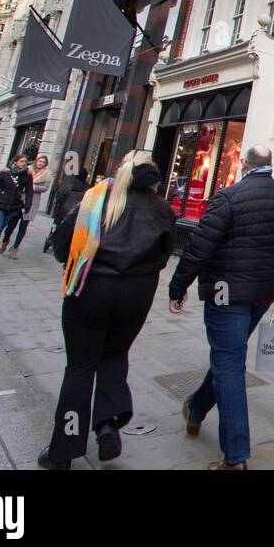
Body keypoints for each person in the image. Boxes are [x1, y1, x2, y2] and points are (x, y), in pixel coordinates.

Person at [168, 145, 274, 470]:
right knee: (227, 357)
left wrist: (178, 286)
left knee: (229, 365)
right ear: (269, 165)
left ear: (245, 164)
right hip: (262, 294)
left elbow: (200, 245)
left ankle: (236, 457)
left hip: (225, 295)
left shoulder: (228, 197)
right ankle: (196, 409)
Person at [38, 151, 176, 469]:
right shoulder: (163, 209)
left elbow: (63, 246)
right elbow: (165, 252)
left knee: (80, 368)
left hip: (90, 290)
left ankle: (63, 451)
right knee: (115, 356)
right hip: (136, 293)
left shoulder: (96, 200)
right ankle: (106, 425)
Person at [0, 154, 51, 259]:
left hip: (32, 201)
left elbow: (45, 188)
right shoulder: (26, 169)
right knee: (11, 224)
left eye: (43, 162)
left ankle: (15, 248)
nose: (40, 163)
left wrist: (31, 186)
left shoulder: (46, 174)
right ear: (36, 161)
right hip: (19, 199)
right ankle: (5, 240)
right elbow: (17, 181)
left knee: (23, 227)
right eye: (39, 161)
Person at [46, 168, 90, 253]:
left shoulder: (68, 186)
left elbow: (60, 198)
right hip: (80, 211)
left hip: (65, 209)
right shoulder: (88, 188)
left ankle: (52, 239)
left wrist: (59, 206)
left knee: (58, 226)